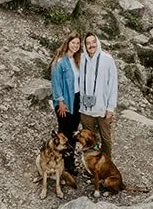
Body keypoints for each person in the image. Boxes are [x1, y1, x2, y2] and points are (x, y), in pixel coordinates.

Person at [78, 31, 118, 162]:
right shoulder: (81, 58)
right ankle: (92, 163)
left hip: (102, 106)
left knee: (106, 138)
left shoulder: (107, 59)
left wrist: (110, 107)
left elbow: (113, 84)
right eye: (88, 43)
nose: (91, 45)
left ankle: (107, 164)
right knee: (88, 138)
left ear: (98, 42)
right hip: (85, 107)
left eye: (93, 42)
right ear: (84, 45)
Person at [49, 32, 83, 180]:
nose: (75, 45)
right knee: (64, 133)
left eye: (77, 43)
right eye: (73, 42)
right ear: (67, 42)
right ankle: (60, 164)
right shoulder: (59, 62)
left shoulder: (76, 60)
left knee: (73, 133)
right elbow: (56, 84)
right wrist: (60, 102)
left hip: (76, 99)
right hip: (64, 101)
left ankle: (70, 164)